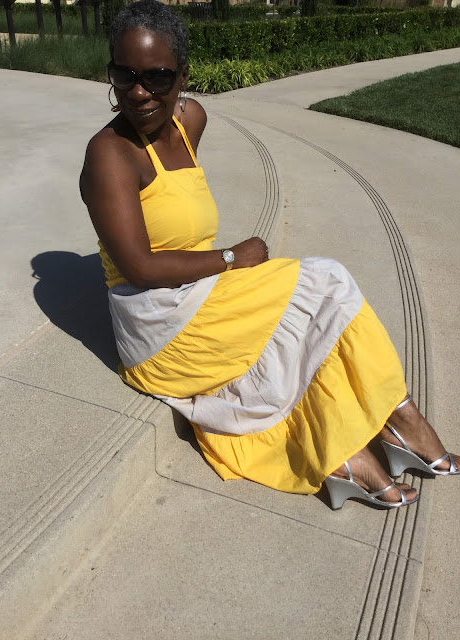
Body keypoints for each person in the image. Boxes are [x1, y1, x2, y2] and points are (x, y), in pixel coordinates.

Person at [80, 0, 459, 510]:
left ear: (183, 76)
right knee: (325, 282)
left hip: (200, 294)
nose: (139, 92)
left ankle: (355, 451)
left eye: (157, 77)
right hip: (159, 326)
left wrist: (221, 267)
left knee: (312, 313)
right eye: (124, 75)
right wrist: (230, 258)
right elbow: (140, 268)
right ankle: (399, 425)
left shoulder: (191, 122)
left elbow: (178, 211)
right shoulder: (109, 153)